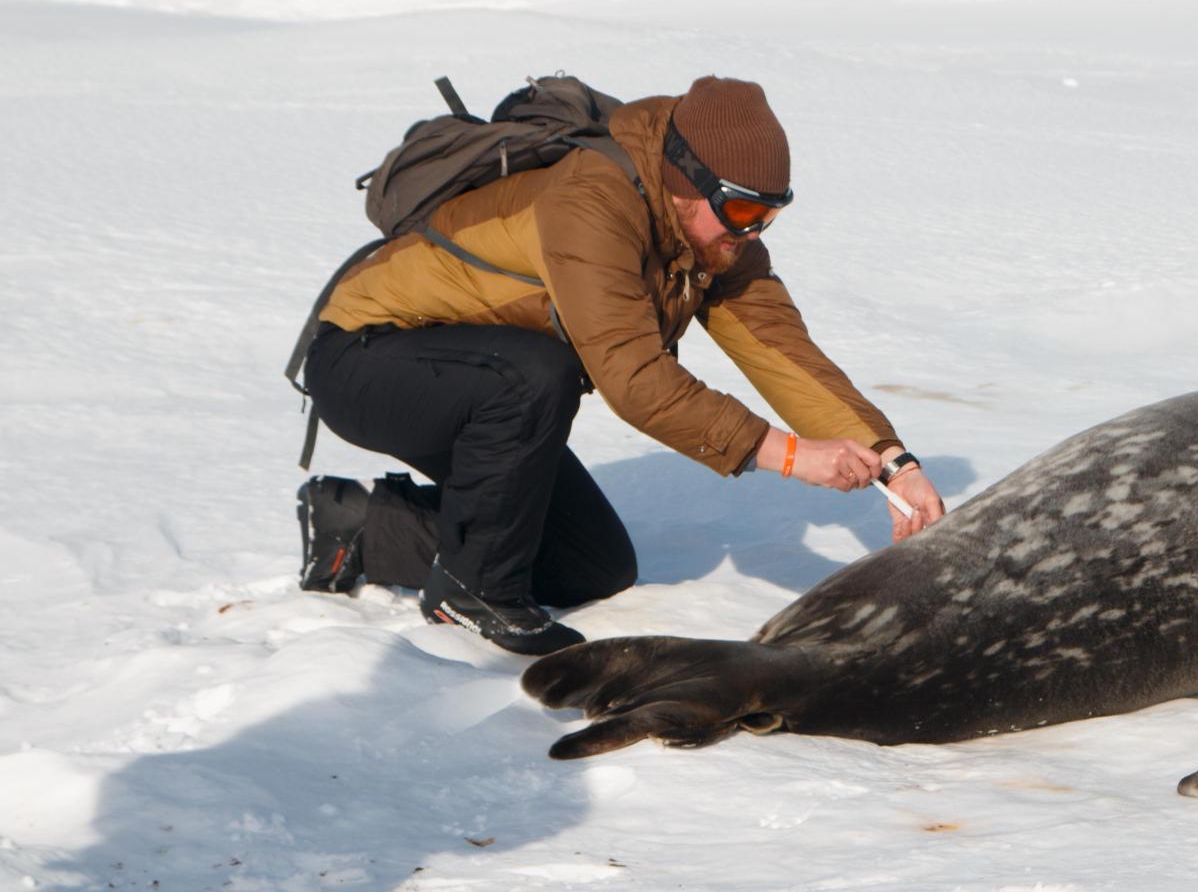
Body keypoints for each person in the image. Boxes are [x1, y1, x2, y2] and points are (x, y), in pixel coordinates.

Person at [294, 76, 945, 654]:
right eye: (744, 210)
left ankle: (359, 525)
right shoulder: (591, 201)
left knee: (593, 568)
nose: (752, 233)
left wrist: (893, 461)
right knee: (536, 373)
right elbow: (634, 379)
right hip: (365, 355)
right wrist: (791, 455)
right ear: (691, 183)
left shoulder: (715, 238)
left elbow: (781, 351)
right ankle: (472, 593)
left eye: (770, 214)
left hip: (475, 379)